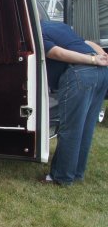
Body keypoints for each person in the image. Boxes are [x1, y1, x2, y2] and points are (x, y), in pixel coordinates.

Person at [40, 20, 108, 185]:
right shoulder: (57, 26)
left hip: (80, 75)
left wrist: (92, 60)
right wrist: (101, 57)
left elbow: (57, 54)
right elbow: (87, 42)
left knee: (71, 129)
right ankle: (76, 173)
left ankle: (61, 177)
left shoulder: (37, 32)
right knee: (85, 126)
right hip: (101, 74)